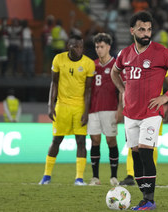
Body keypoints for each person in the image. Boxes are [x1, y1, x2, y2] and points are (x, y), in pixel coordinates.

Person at [110, 11, 168, 210]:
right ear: (132, 31)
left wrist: (166, 96)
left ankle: (150, 199)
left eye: (149, 29)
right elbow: (114, 72)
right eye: (142, 29)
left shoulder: (162, 52)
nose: (146, 33)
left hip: (151, 113)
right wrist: (122, 90)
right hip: (130, 113)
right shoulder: (124, 54)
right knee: (135, 154)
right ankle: (145, 197)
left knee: (146, 152)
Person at [39, 35, 95, 186]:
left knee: (81, 141)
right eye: (76, 47)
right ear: (69, 47)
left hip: (79, 107)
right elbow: (54, 83)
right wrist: (50, 105)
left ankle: (79, 178)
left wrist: (86, 111)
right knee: (56, 140)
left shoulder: (88, 64)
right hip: (62, 106)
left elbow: (88, 90)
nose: (79, 49)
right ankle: (46, 176)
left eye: (81, 46)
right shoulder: (58, 59)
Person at [119, 71, 168, 186]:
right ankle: (130, 175)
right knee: (133, 144)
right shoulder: (133, 60)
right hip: (134, 110)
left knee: (151, 145)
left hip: (153, 111)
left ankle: (149, 175)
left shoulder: (161, 61)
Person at [87, 33, 120, 186]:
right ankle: (95, 177)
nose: (99, 50)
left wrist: (121, 109)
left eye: (101, 47)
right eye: (96, 47)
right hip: (93, 109)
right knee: (95, 141)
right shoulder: (91, 65)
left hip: (110, 109)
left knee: (110, 140)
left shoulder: (116, 66)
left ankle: (114, 176)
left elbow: (122, 90)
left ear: (108, 47)